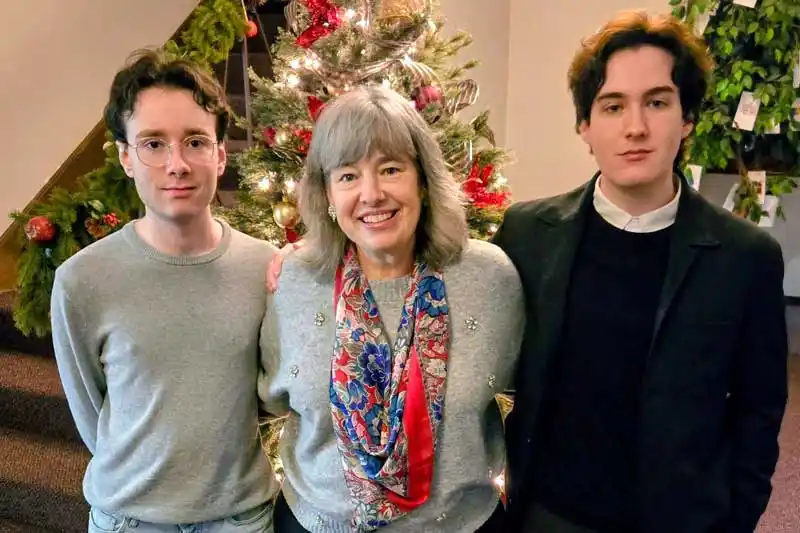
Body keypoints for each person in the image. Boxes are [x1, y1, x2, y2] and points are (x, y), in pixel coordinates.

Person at [492, 11, 788, 533]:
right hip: (549, 516)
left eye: (657, 102)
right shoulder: (526, 234)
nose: (635, 127)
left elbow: (758, 412)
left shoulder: (746, 257)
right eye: (612, 106)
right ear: (585, 125)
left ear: (687, 118)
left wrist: (733, 520)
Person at [257, 84, 525, 533]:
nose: (372, 193)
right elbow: (267, 400)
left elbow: (532, 399)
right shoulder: (293, 283)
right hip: (317, 525)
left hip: (459, 524)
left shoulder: (490, 277)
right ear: (326, 194)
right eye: (347, 176)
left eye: (390, 168)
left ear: (423, 179)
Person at [50, 48, 279, 533]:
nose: (177, 164)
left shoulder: (266, 266)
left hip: (239, 520)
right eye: (153, 144)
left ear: (219, 154)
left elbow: (270, 395)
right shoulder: (82, 280)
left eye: (195, 141)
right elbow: (92, 415)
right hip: (129, 520)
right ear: (126, 157)